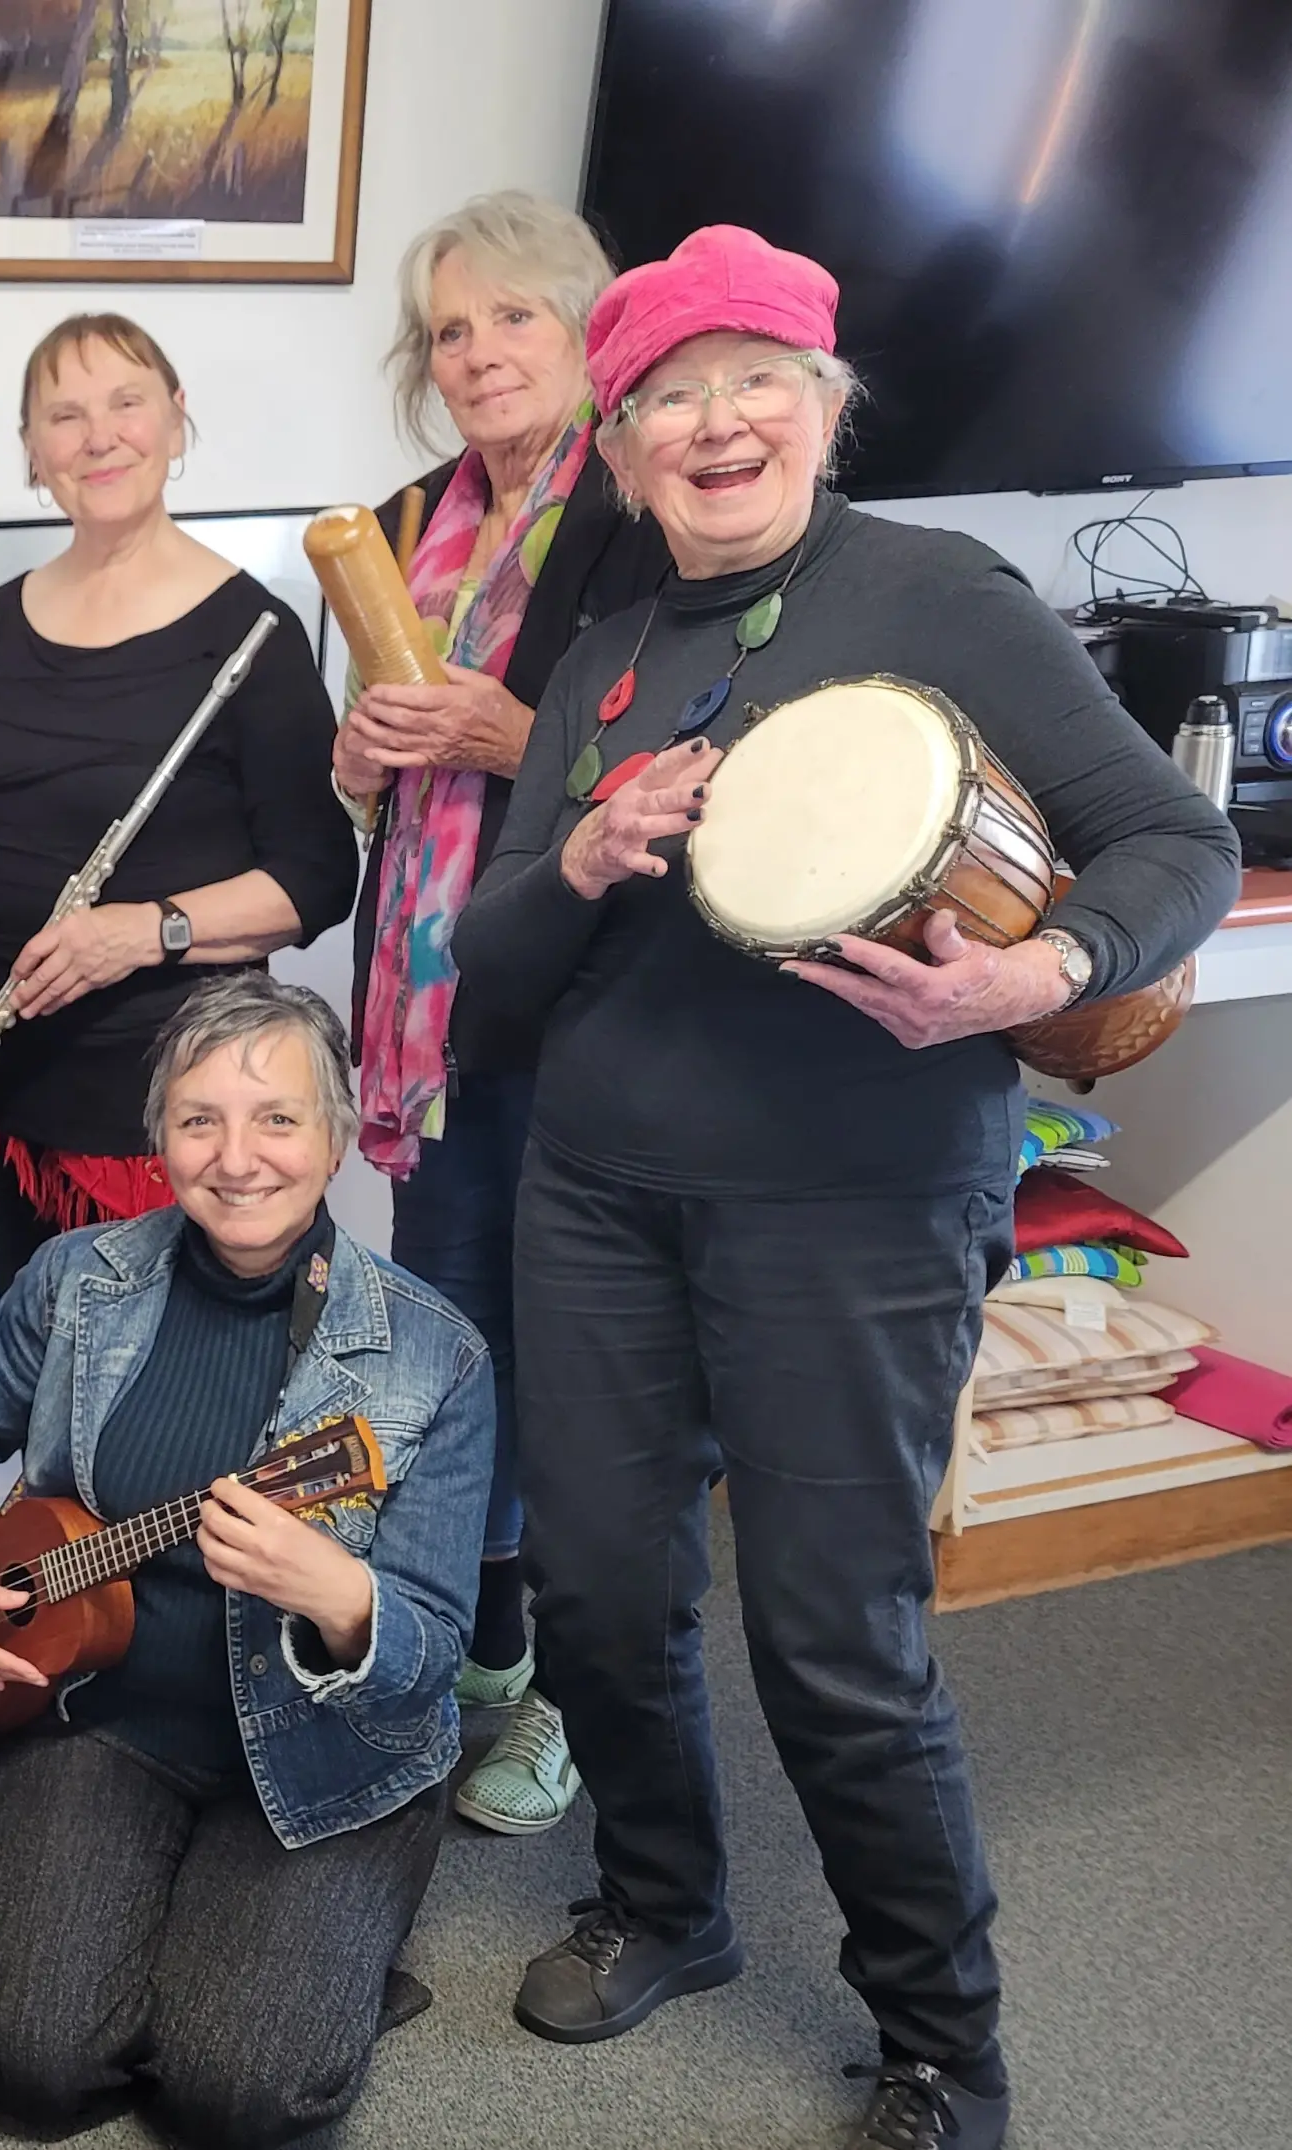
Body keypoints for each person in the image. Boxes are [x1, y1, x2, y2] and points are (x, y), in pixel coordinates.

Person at [454, 225, 1239, 2150]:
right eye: (666, 397)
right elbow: (487, 976)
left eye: (755, 380)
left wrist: (1033, 977)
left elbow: (1176, 839)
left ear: (824, 403)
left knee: (833, 1636)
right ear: (621, 445)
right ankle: (665, 1905)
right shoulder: (612, 657)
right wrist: (580, 857)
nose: (714, 423)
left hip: (861, 1204)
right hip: (599, 1192)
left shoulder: (942, 593)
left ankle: (941, 2045)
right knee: (598, 1593)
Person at [0, 974, 490, 2148]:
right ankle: (206, 1938)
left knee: (236, 2094)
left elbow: (433, 1654)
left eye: (278, 1118)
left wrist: (345, 1600)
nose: (237, 1156)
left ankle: (334, 1935)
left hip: (321, 1756)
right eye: (199, 1118)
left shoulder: (433, 1354)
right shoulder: (79, 1279)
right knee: (23, 2065)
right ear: (157, 1137)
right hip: (95, 1707)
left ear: (338, 1134)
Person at [339, 192, 675, 1840]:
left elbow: (686, 758)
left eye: (511, 321)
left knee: (578, 1368)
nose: (477, 354)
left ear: (584, 333)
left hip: (593, 1007)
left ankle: (563, 1696)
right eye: (452, 330)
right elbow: (391, 767)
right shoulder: (417, 516)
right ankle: (478, 1641)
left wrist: (503, 735)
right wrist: (361, 760)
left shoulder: (649, 507)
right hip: (437, 1010)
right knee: (446, 1343)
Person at [0, 313, 356, 1292]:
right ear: (32, 452)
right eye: (64, 414)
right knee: (49, 1383)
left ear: (177, 421)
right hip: (11, 1104)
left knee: (177, 1410)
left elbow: (316, 877)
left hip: (178, 1119)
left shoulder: (255, 634)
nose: (99, 436)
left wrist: (144, 932)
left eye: (127, 403)